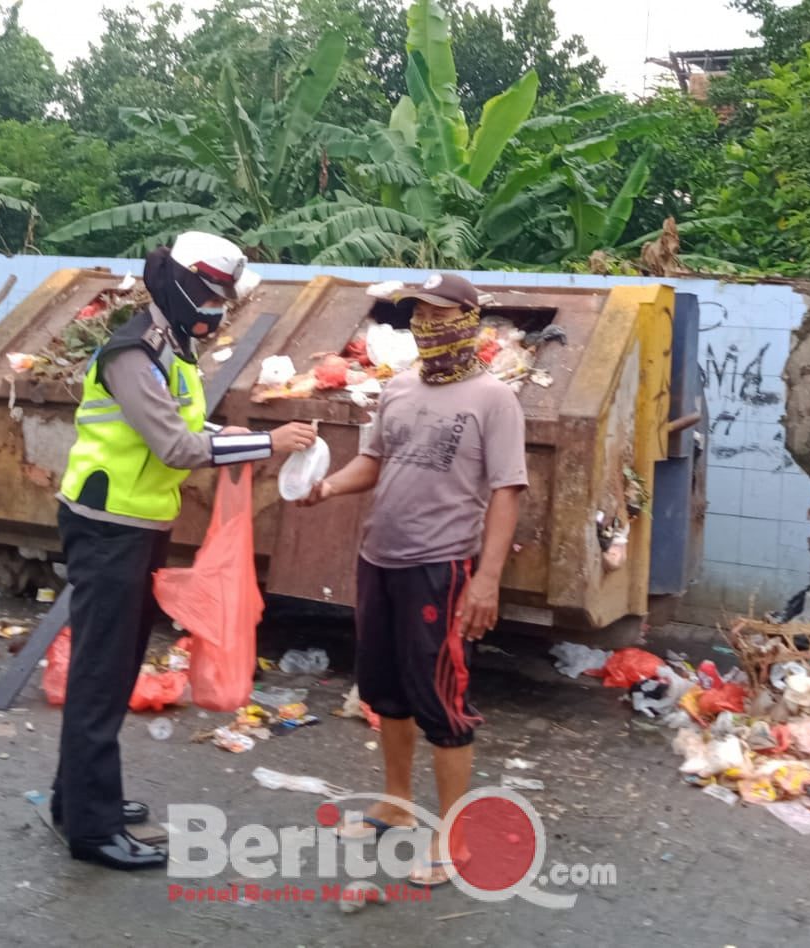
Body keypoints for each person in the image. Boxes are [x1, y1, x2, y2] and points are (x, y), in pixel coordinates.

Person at [52, 231, 316, 871]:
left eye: (223, 296)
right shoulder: (132, 354)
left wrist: (225, 433)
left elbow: (182, 428)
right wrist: (263, 444)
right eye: (209, 292)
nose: (216, 306)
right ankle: (92, 830)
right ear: (175, 284)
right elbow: (174, 447)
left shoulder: (171, 350)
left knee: (111, 665)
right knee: (102, 672)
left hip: (136, 522)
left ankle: (78, 799)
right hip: (109, 523)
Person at [299, 272, 527, 887]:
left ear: (465, 320)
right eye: (417, 315)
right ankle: (396, 802)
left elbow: (507, 493)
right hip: (380, 561)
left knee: (442, 703)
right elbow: (373, 463)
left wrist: (487, 579)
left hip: (444, 568)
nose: (425, 325)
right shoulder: (398, 390)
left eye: (436, 314)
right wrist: (325, 487)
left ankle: (454, 838)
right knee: (385, 691)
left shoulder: (494, 400)